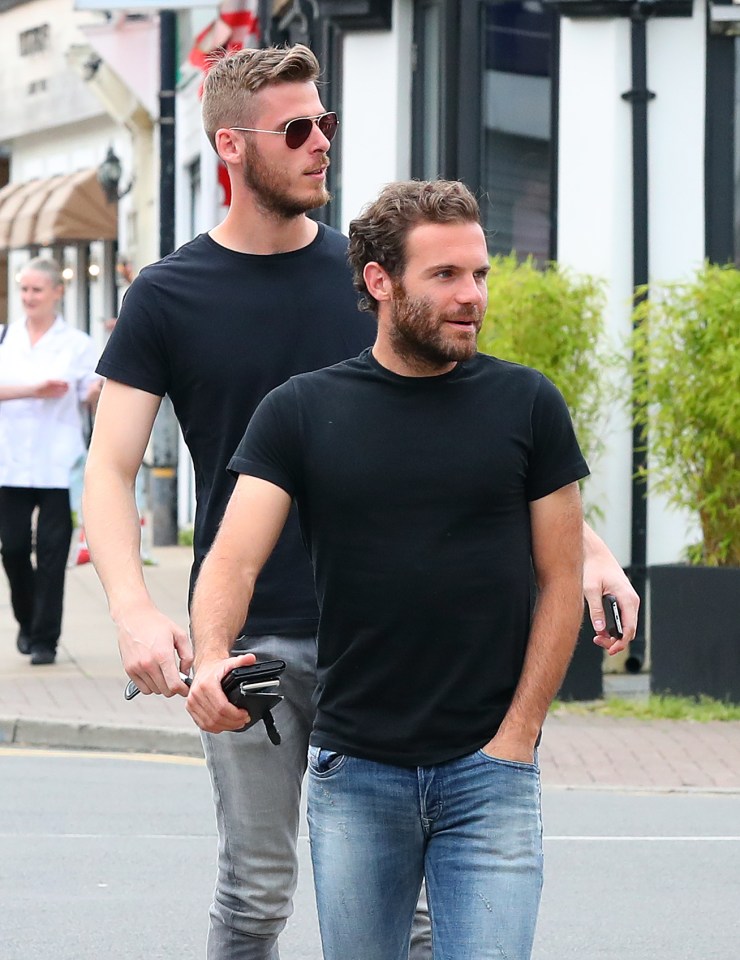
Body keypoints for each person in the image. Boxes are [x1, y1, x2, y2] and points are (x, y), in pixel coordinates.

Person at [82, 44, 637, 960]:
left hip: (384, 633)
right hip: (256, 631)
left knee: (420, 913)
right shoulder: (168, 294)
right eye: (297, 129)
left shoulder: (374, 280)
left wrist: (588, 549)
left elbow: (477, 432)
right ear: (231, 145)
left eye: (325, 125)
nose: (321, 145)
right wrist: (136, 612)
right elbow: (109, 469)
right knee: (256, 890)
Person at [187, 178, 590, 960]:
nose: (471, 295)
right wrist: (209, 656)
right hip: (356, 769)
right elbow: (231, 561)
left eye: (478, 274)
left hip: (490, 772)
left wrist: (517, 737)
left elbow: (562, 581)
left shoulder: (528, 404)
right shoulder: (300, 410)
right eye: (445, 276)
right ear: (381, 282)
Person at [0, 256, 101, 665]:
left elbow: (89, 391)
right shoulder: (5, 338)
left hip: (59, 464)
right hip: (10, 464)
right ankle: (27, 619)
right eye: (23, 289)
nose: (28, 297)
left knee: (54, 554)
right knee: (14, 549)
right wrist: (32, 390)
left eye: (36, 290)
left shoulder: (76, 343)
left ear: (57, 292)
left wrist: (97, 392)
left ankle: (45, 639)